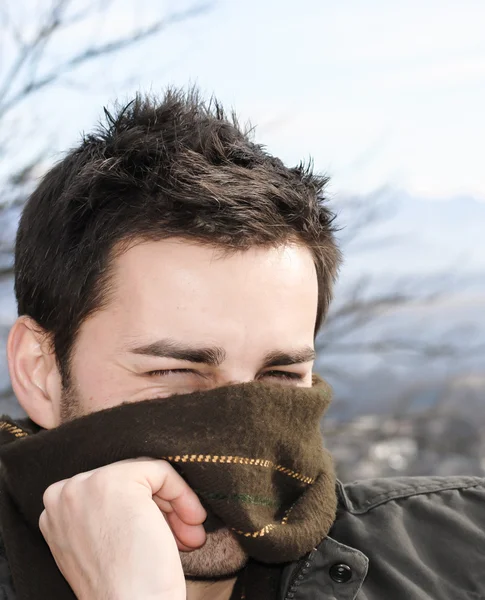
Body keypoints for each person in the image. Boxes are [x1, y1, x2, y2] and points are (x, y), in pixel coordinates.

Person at [0, 88, 483, 600]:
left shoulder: (463, 557)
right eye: (174, 371)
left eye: (280, 377)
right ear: (40, 371)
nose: (241, 426)